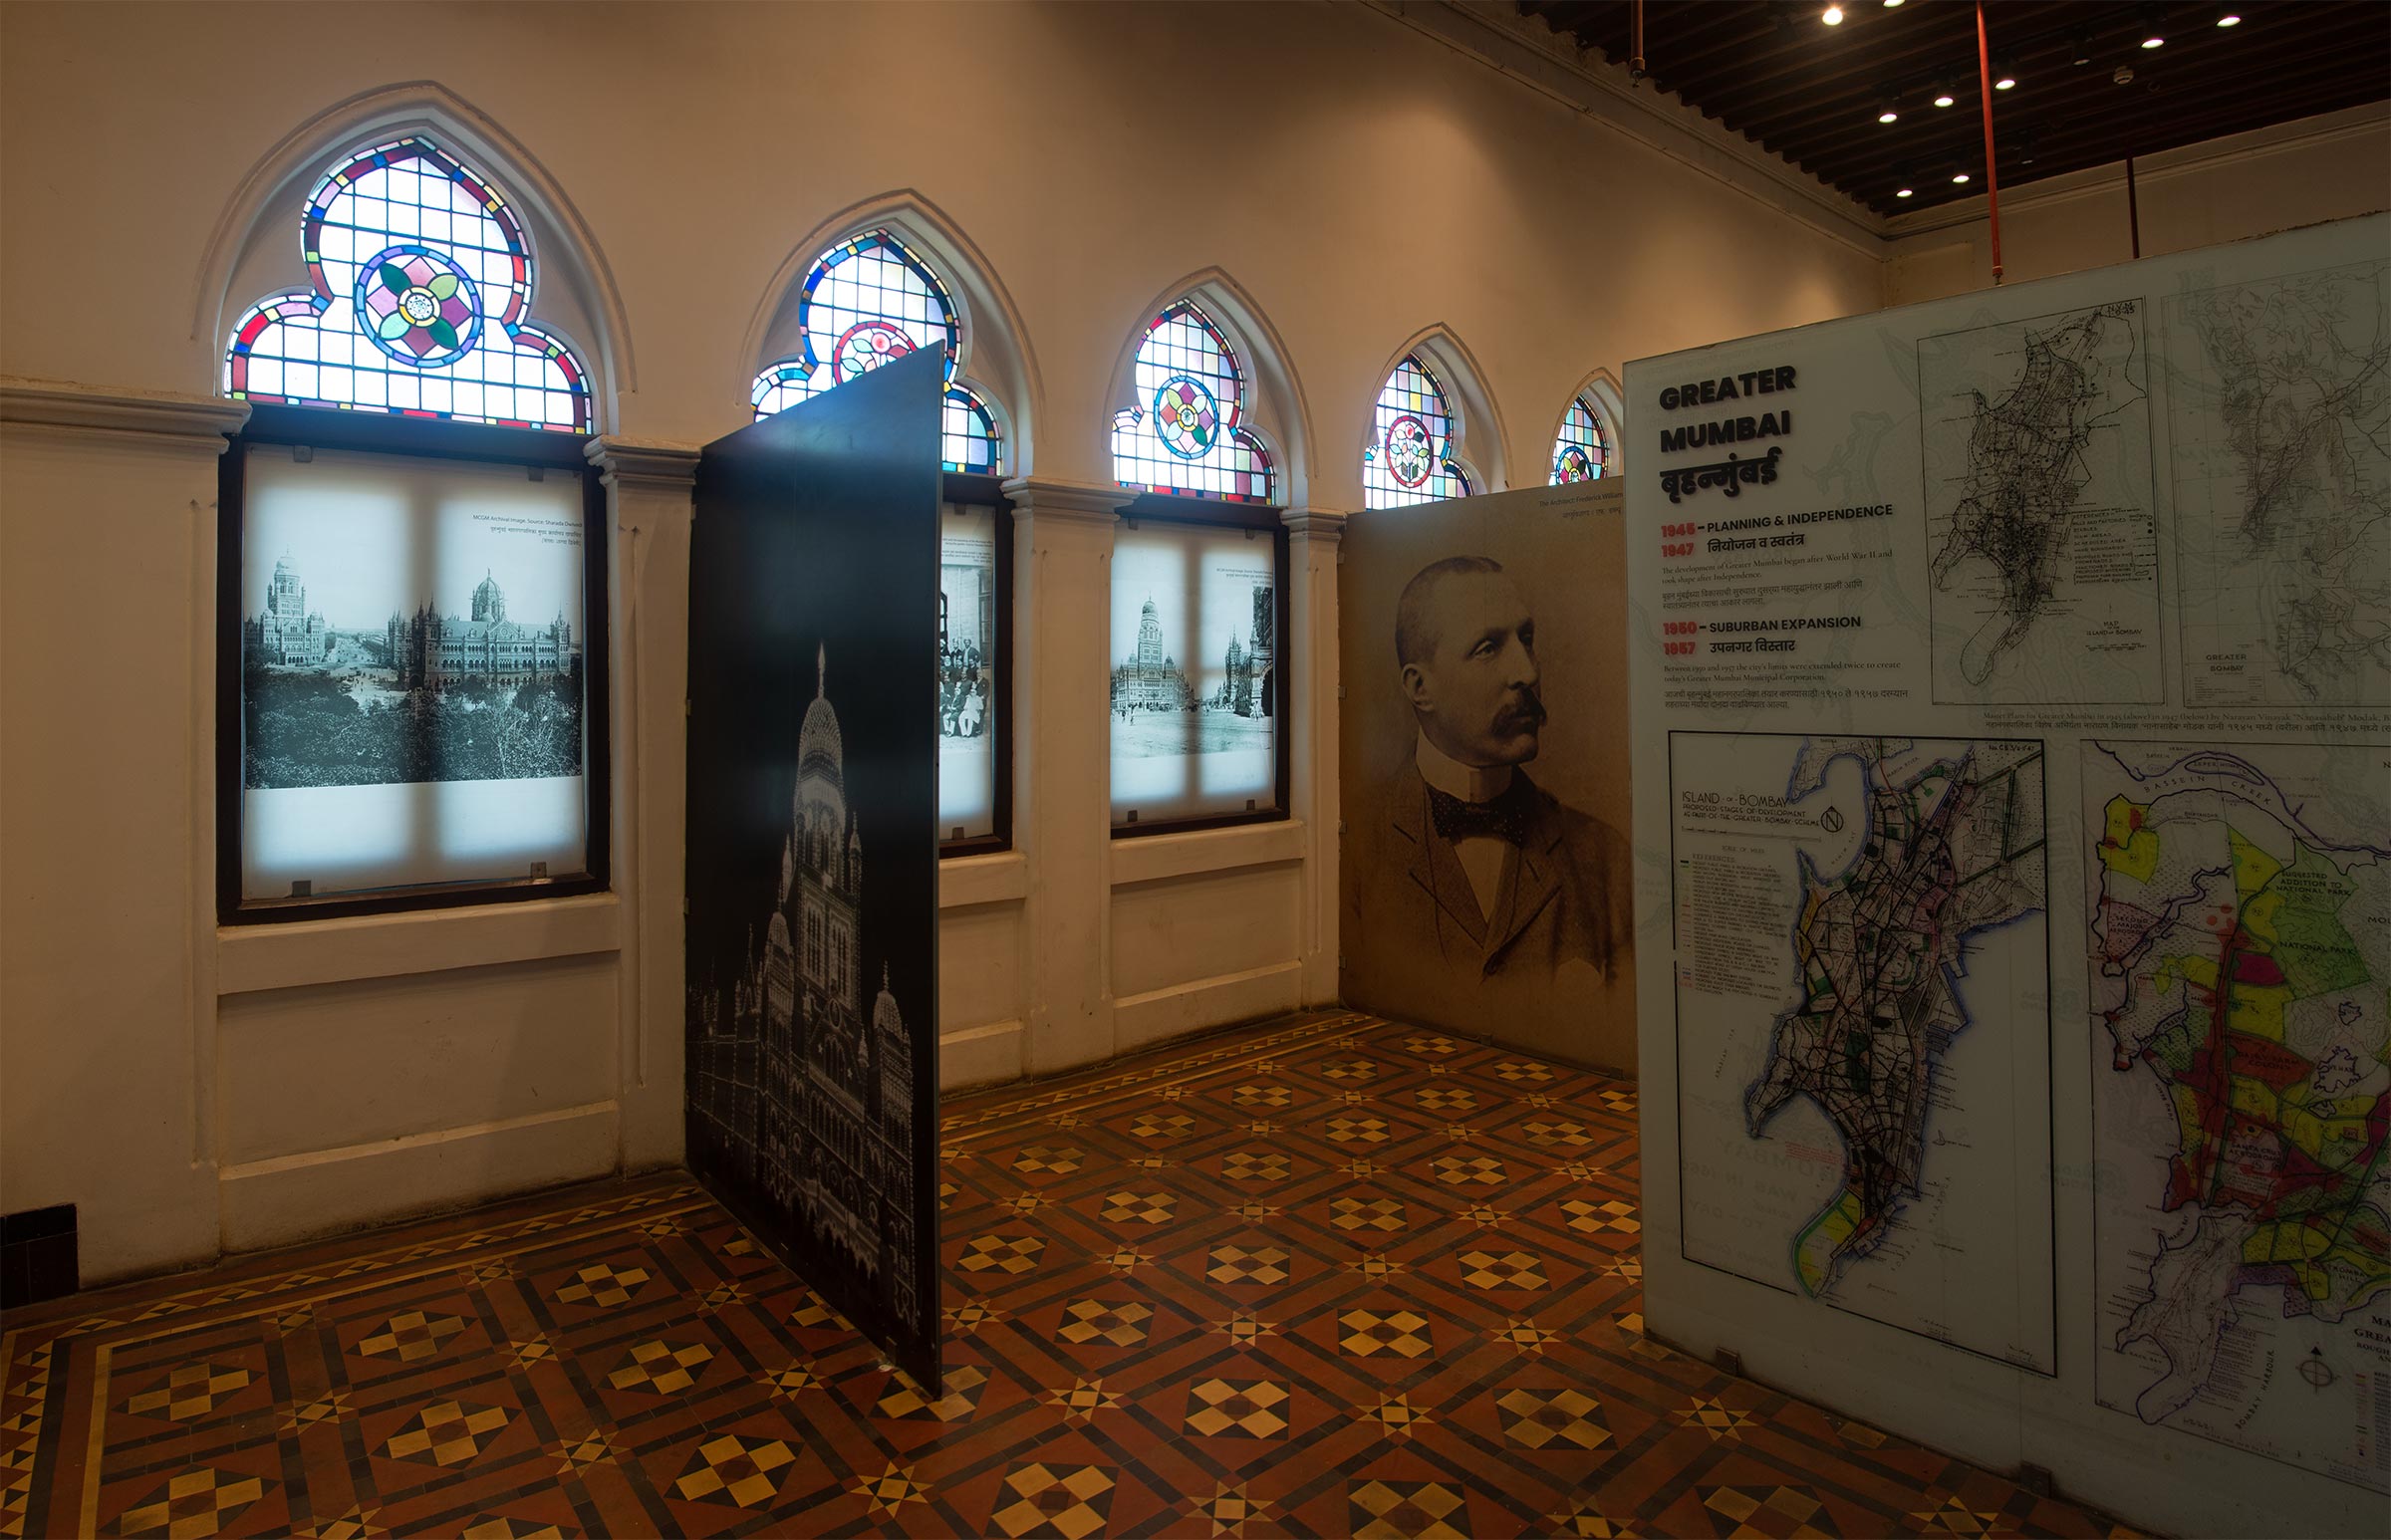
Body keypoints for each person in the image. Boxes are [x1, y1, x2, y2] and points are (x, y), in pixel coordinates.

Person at [1356, 555, 1630, 988]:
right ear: (1420, 687)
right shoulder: (1355, 848)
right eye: (1487, 648)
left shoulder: (1605, 860)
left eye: (1527, 639)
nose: (1528, 672)